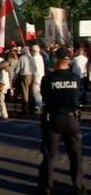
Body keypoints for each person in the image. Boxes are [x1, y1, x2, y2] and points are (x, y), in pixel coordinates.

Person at [38, 47, 86, 195]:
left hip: (53, 118)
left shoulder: (48, 78)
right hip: (72, 119)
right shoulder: (75, 78)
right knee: (75, 155)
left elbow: (44, 97)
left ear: (55, 59)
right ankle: (78, 186)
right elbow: (79, 97)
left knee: (50, 155)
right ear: (69, 61)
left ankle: (47, 187)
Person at [16, 47, 36, 114]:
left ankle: (25, 108)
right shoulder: (32, 57)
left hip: (24, 75)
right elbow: (35, 68)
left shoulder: (22, 58)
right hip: (33, 75)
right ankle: (32, 108)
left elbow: (18, 68)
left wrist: (16, 75)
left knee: (25, 92)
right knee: (31, 92)